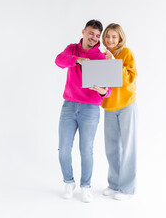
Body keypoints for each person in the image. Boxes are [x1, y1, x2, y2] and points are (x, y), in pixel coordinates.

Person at [55, 20, 111, 203]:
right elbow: (58, 61)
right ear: (84, 32)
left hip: (90, 108)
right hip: (69, 105)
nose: (94, 38)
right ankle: (68, 182)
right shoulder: (72, 49)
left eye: (97, 35)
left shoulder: (101, 58)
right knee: (64, 148)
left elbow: (107, 90)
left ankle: (85, 186)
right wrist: (77, 60)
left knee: (86, 149)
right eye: (91, 33)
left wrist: (101, 90)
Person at [101, 23, 138, 200]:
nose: (110, 40)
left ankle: (127, 189)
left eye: (114, 36)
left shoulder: (126, 53)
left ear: (120, 38)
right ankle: (114, 184)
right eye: (107, 36)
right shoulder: (100, 56)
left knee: (128, 147)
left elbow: (130, 78)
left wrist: (114, 62)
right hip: (109, 106)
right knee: (111, 148)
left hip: (126, 105)